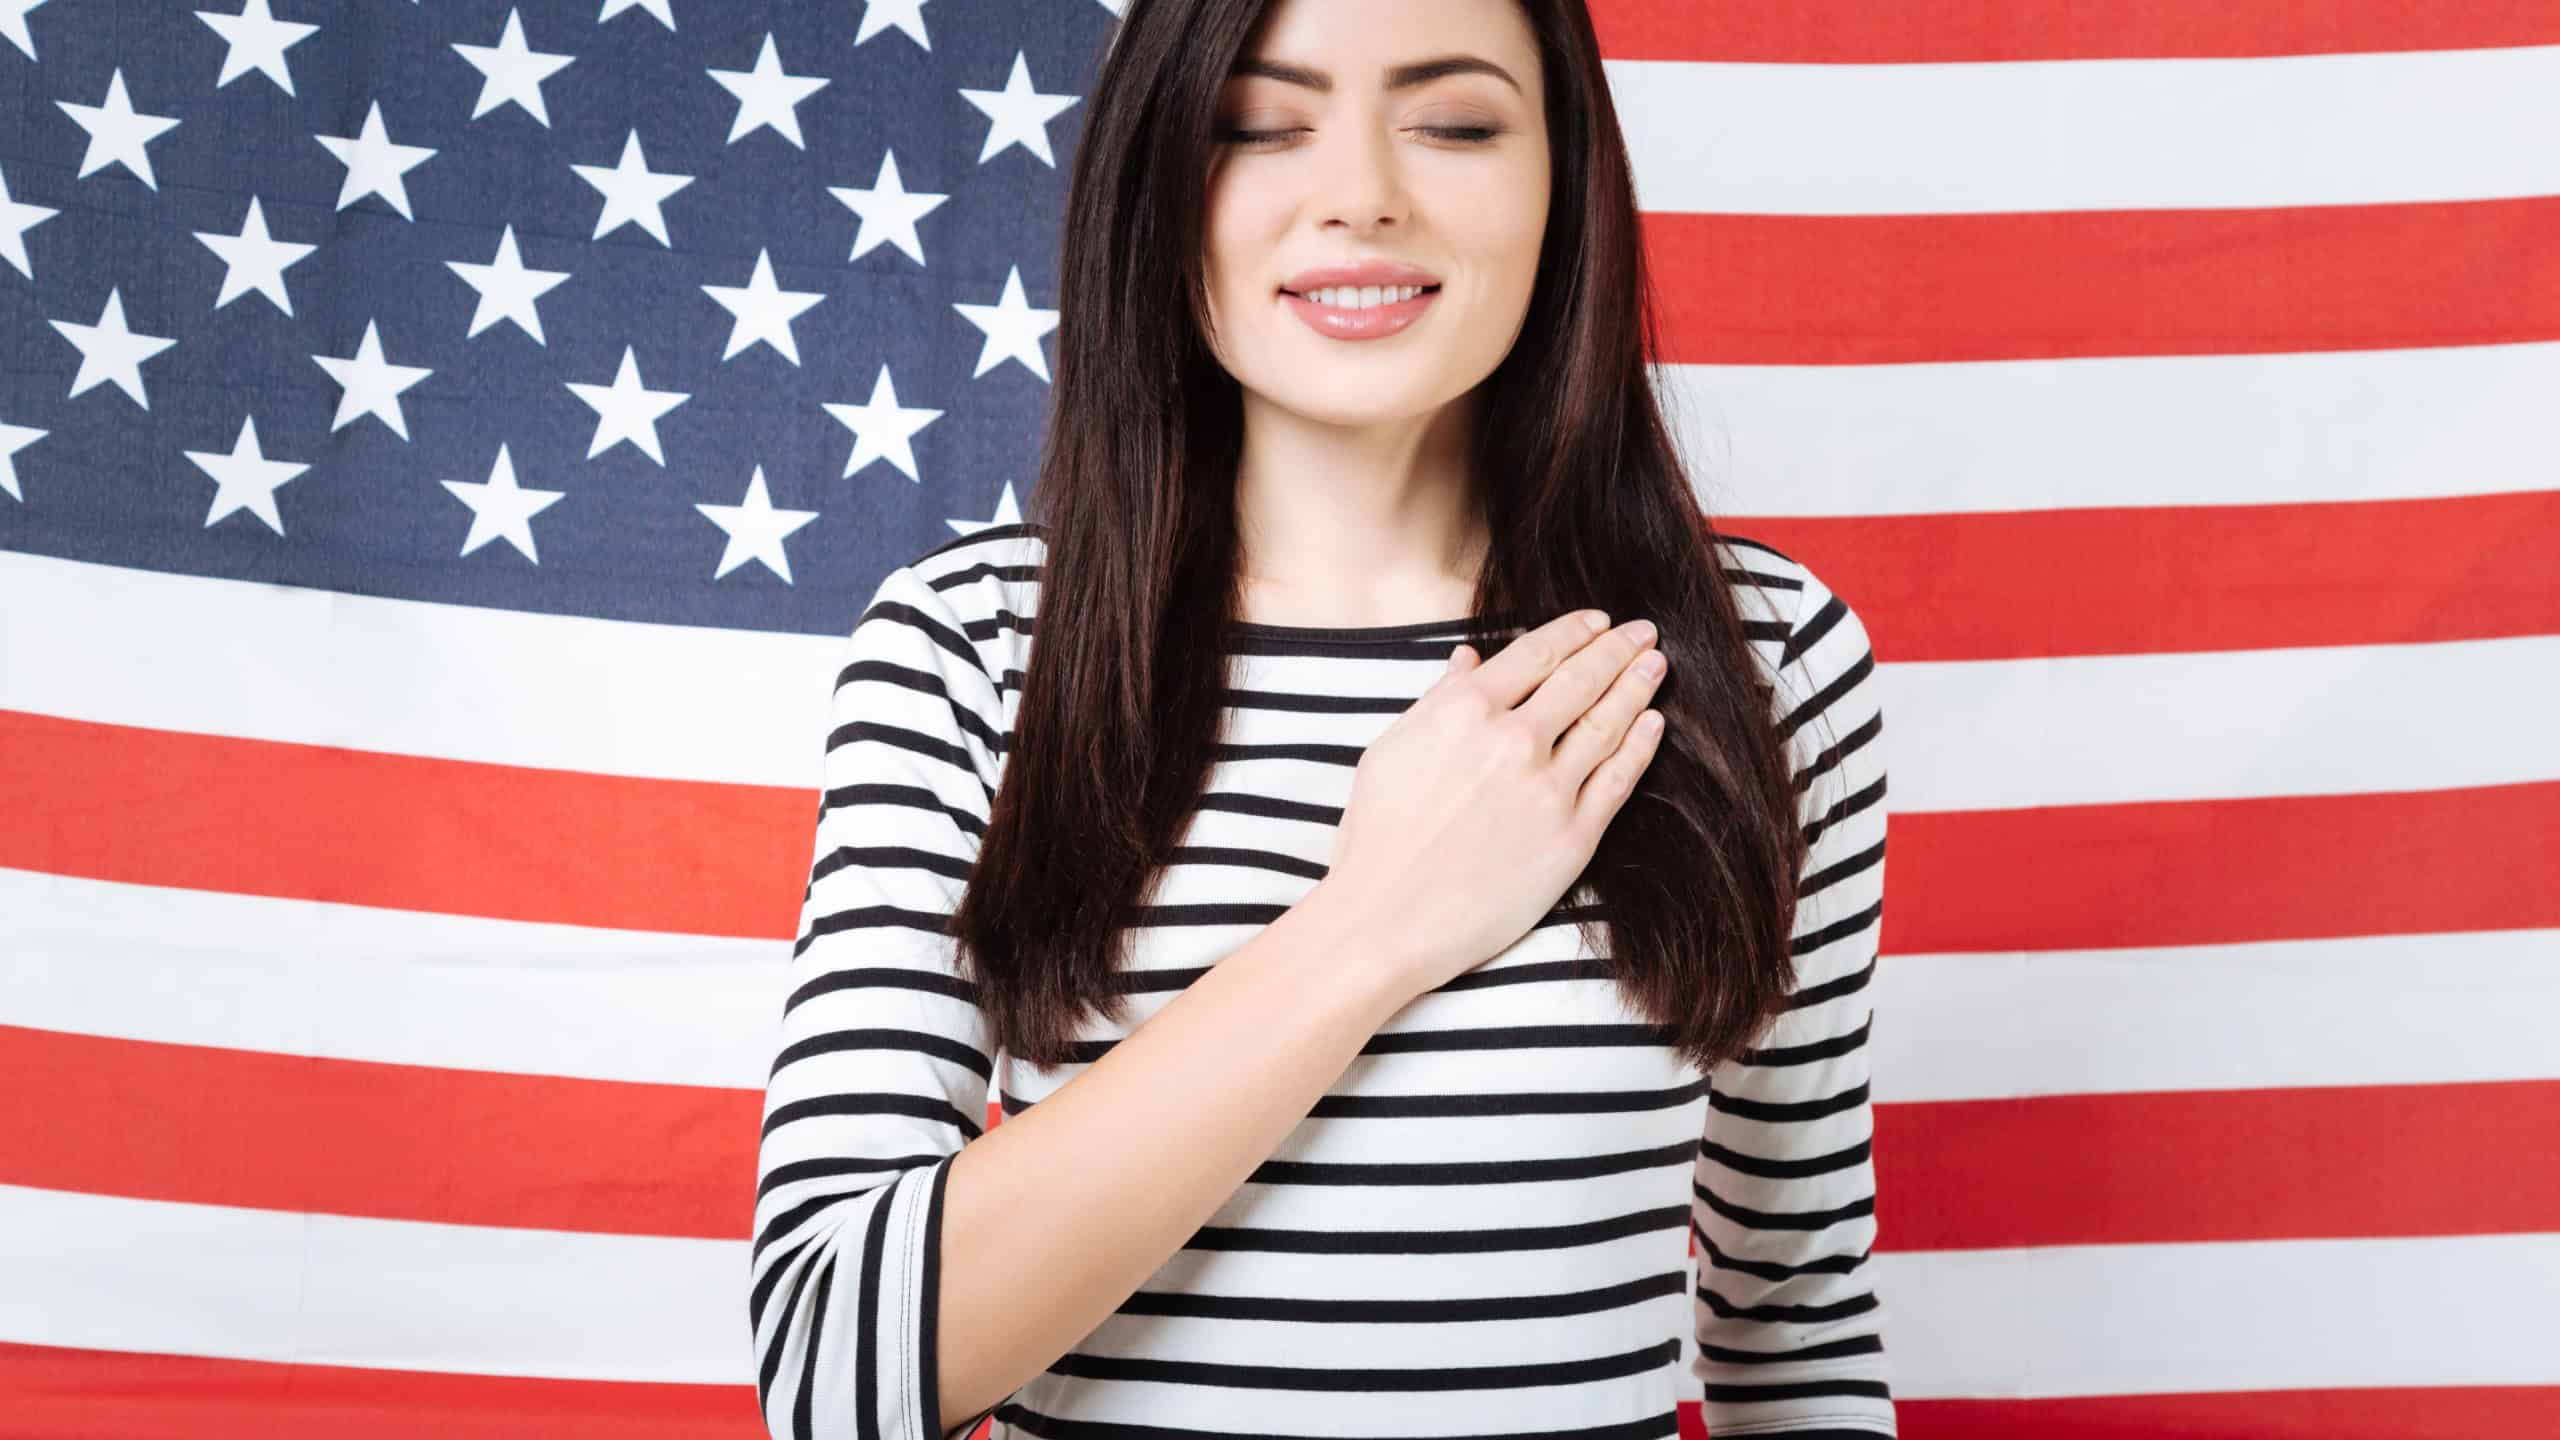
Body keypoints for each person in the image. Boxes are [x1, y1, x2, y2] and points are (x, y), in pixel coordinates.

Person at [747, 1, 1896, 1436]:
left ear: (1566, 179)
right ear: (1158, 183)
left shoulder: (1763, 659)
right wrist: (1377, 922)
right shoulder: (977, 648)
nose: (1361, 193)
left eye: (1454, 123)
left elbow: (1795, 1322)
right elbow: (834, 1375)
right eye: (1259, 125)